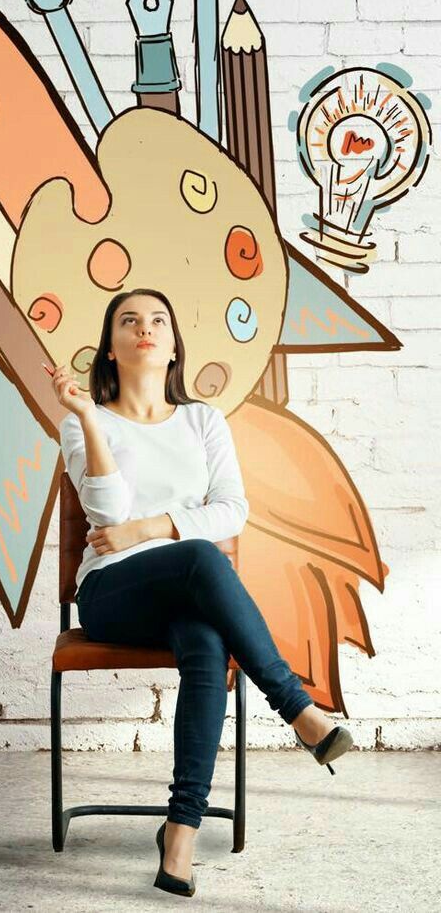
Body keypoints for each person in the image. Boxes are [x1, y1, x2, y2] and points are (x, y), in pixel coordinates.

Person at [50, 288, 354, 898]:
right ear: (110, 348)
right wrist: (86, 416)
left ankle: (181, 832)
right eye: (128, 321)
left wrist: (151, 526)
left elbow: (234, 512)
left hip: (186, 592)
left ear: (172, 345)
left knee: (207, 638)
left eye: (158, 319)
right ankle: (297, 708)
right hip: (112, 594)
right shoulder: (85, 422)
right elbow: (104, 511)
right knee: (197, 555)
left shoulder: (203, 421)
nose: (145, 328)